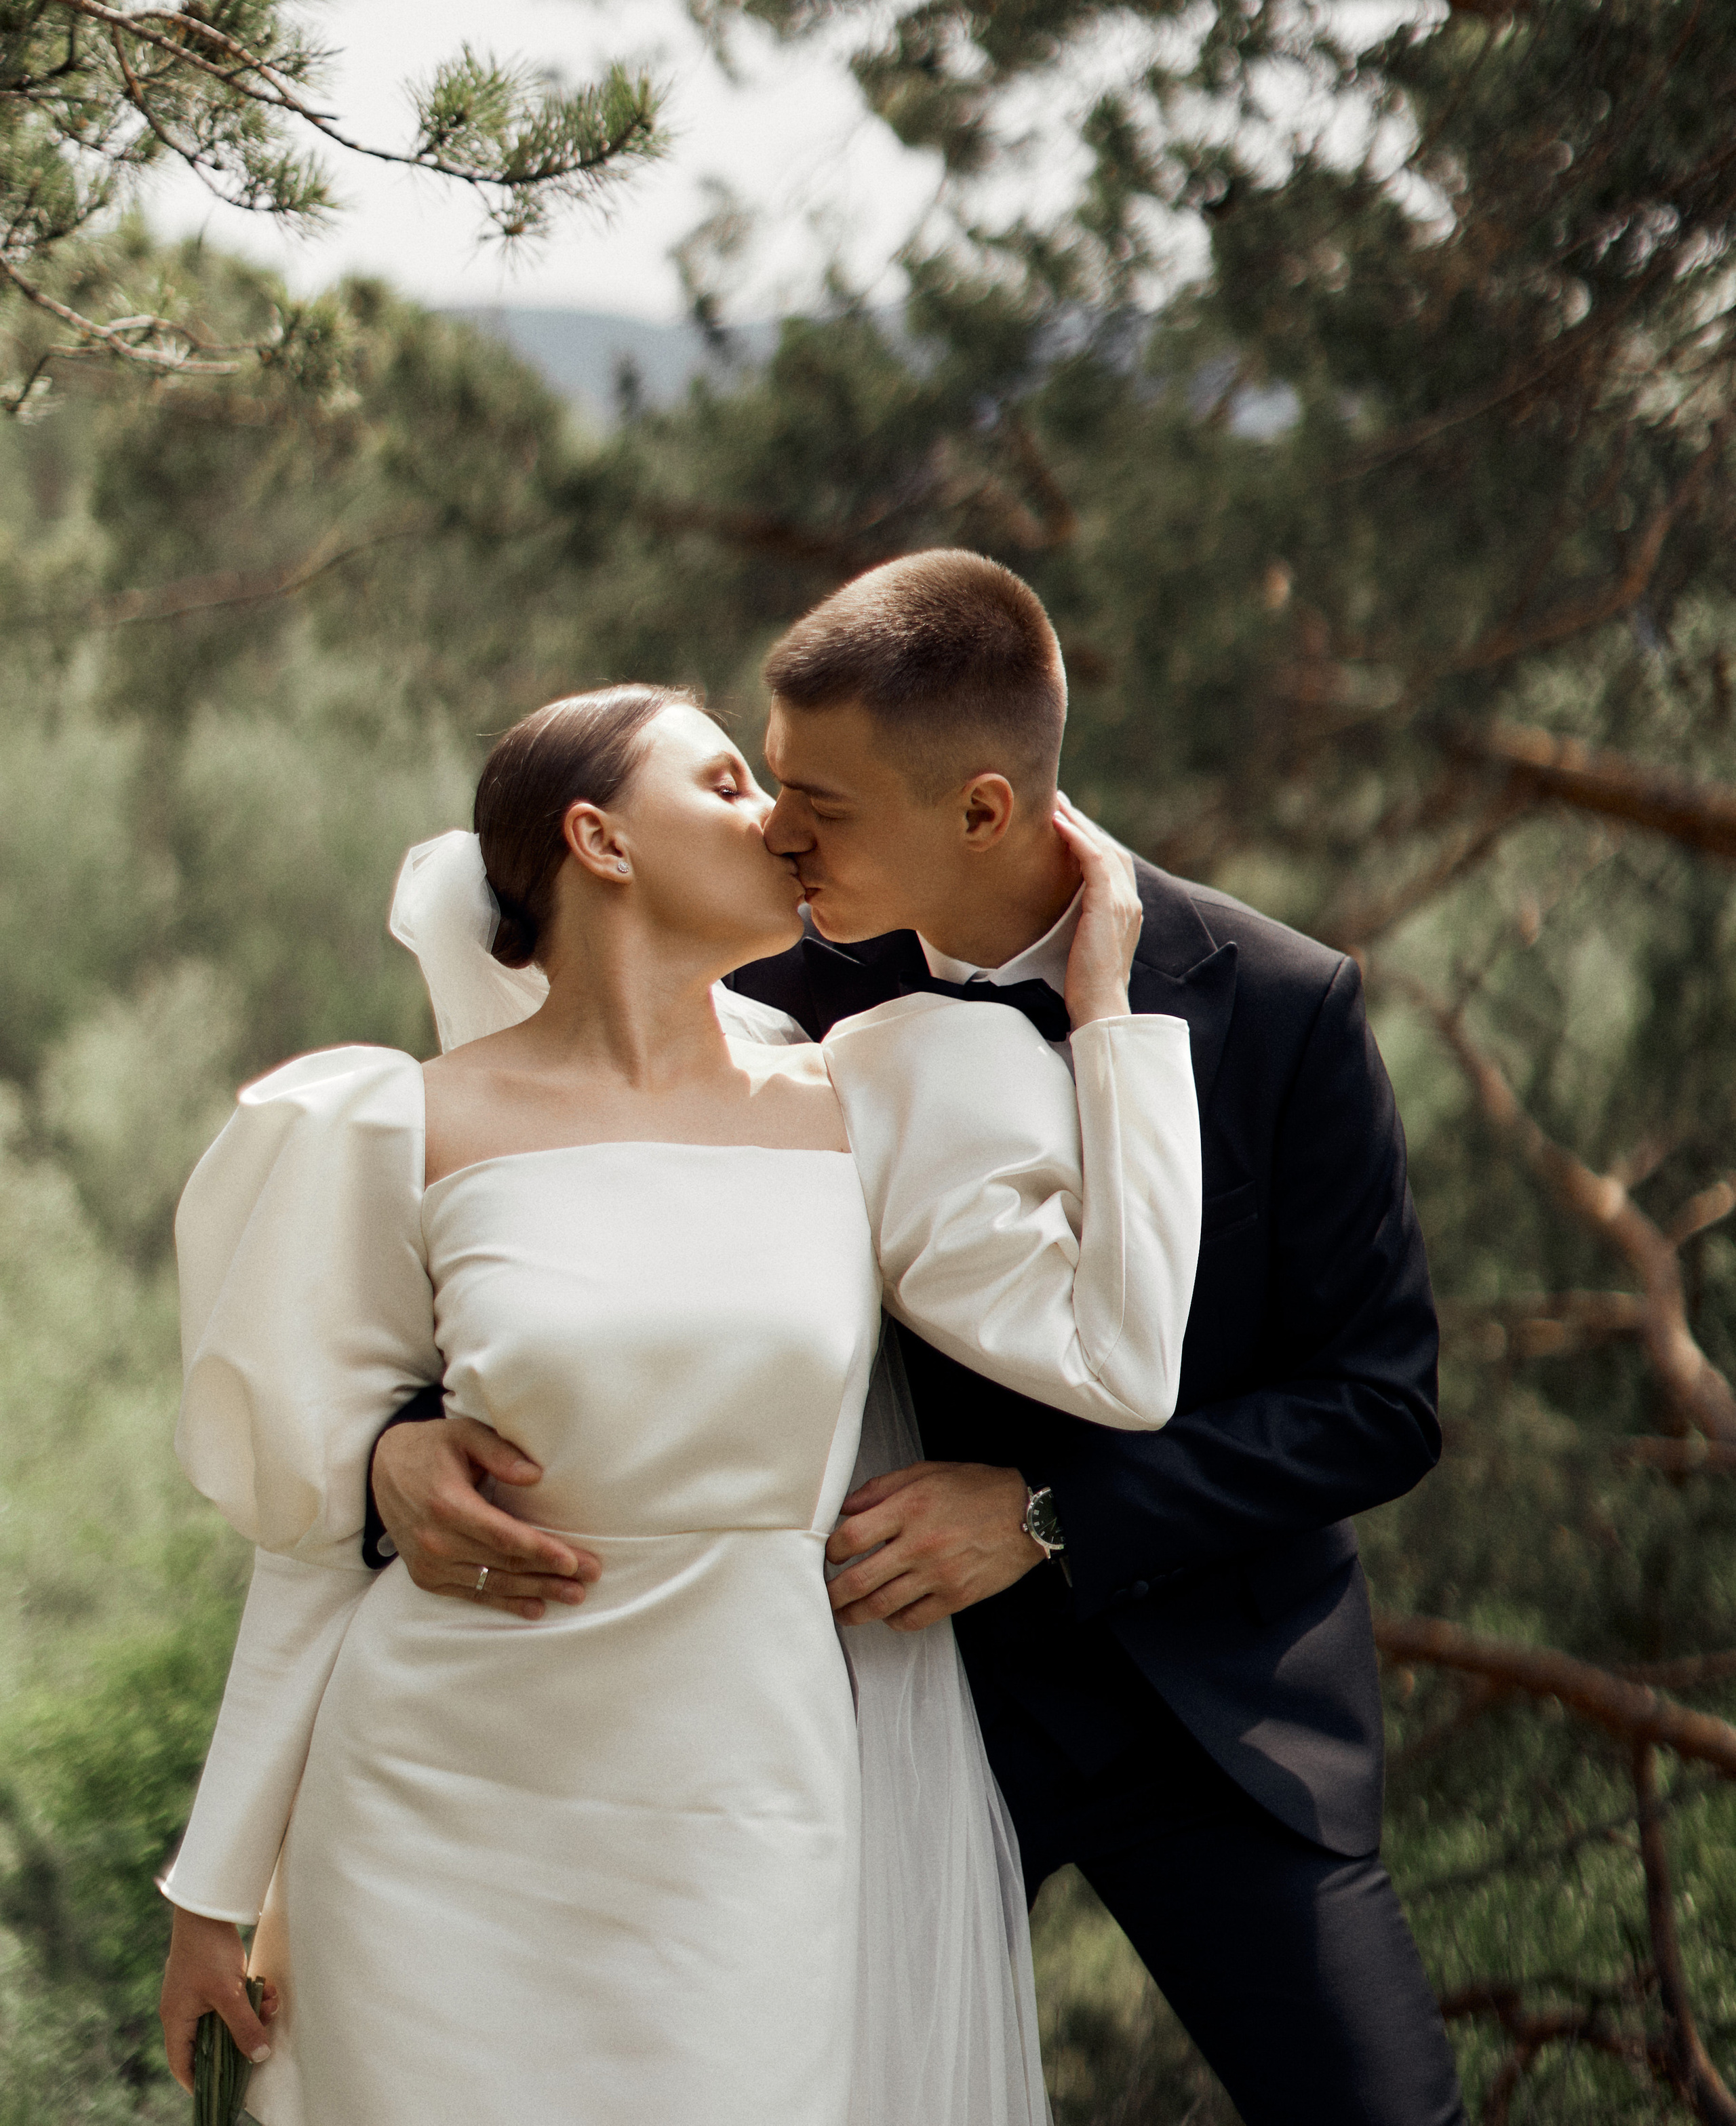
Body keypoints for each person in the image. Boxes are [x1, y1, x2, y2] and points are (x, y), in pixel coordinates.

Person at [375, 551, 1467, 2126]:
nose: (775, 830)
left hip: (1220, 1715)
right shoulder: (774, 987)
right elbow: (549, 1234)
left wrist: (1042, 1518)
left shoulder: (1280, 1001)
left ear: (979, 810)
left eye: (818, 800)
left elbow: (1376, 1406)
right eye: (770, 781)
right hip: (890, 1694)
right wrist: (393, 1437)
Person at [156, 680, 1204, 2126]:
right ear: (597, 838)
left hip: (741, 1804)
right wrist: (212, 1896)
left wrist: (1108, 1018)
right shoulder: (397, 1126)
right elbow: (315, 1538)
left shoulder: (868, 1102)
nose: (777, 821)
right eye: (722, 785)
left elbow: (1121, 1361)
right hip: (430, 1802)